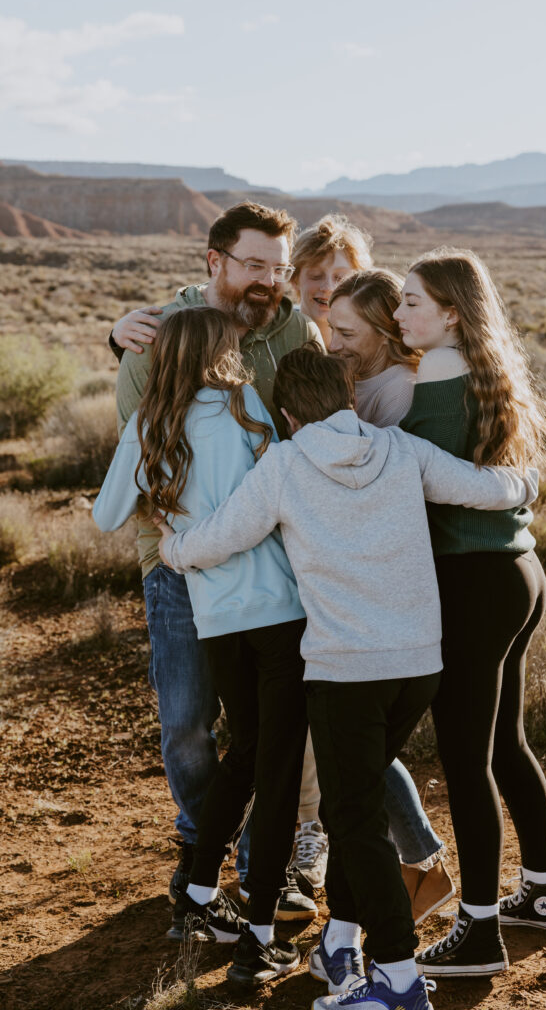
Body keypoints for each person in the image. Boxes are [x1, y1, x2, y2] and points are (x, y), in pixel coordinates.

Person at [155, 343, 538, 1010]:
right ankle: (341, 942)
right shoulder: (398, 450)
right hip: (417, 664)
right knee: (350, 807)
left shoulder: (284, 464)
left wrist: (171, 546)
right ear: (350, 398)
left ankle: (394, 977)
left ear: (285, 414)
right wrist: (528, 484)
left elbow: (220, 538)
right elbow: (483, 488)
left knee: (353, 819)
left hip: (343, 671)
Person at [110, 201, 322, 934]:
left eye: (277, 266)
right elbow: (139, 462)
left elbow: (312, 429)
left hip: (272, 566)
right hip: (178, 566)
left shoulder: (293, 329)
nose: (269, 280)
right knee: (190, 725)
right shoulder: (152, 338)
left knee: (274, 724)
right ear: (214, 262)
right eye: (254, 264)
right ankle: (204, 852)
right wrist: (178, 544)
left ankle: (270, 859)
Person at [394, 247, 546, 979]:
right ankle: (539, 895)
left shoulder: (432, 376)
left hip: (470, 583)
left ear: (448, 314)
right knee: (506, 745)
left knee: (466, 761)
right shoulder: (488, 372)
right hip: (516, 572)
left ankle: (476, 933)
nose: (398, 313)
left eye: (409, 302)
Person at [327, 268, 456, 922]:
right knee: (356, 746)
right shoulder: (355, 384)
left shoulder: (397, 394)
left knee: (354, 746)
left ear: (383, 332)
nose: (333, 341)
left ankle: (411, 872)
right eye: (329, 327)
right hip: (359, 589)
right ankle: (413, 864)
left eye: (346, 332)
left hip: (383, 593)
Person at [290, 213, 373, 346]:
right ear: (294, 280)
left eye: (340, 278)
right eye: (316, 276)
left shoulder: (372, 347)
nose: (328, 287)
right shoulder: (275, 345)